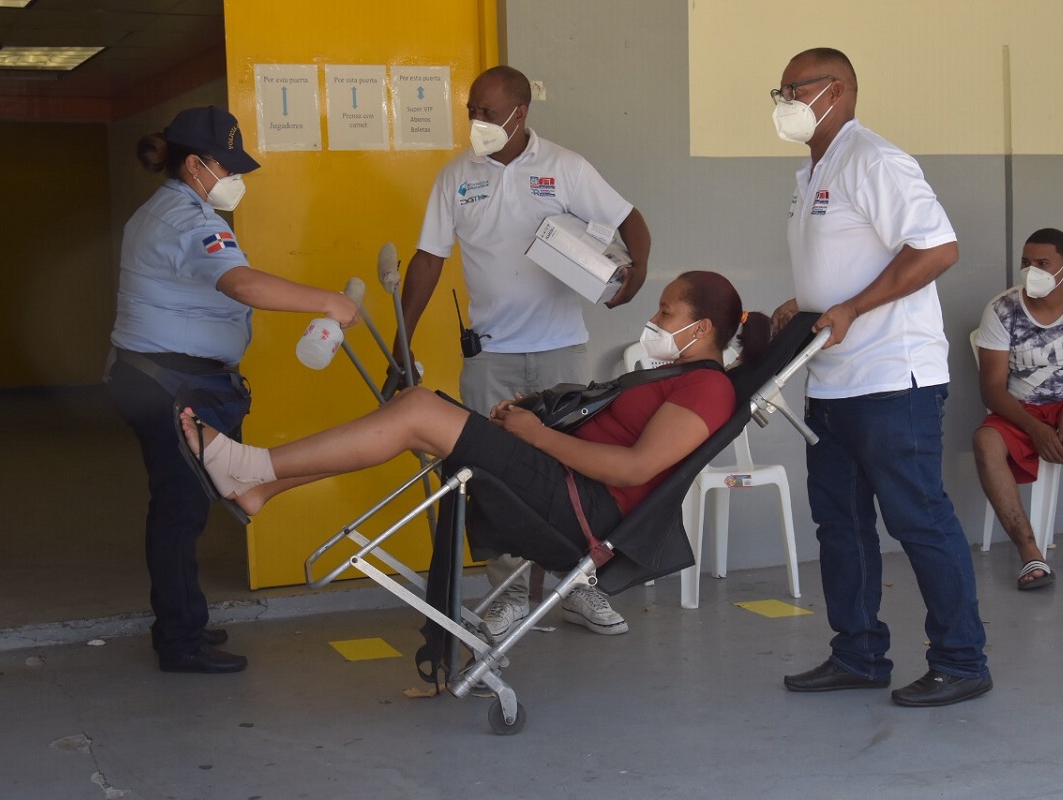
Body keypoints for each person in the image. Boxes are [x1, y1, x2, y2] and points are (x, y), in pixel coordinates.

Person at [175, 273, 768, 635]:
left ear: (704, 327)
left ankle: (254, 469)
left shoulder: (707, 387)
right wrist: (532, 419)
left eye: (666, 312)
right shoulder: (679, 374)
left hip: (580, 510)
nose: (654, 319)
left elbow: (636, 468)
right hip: (561, 480)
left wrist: (535, 435)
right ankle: (259, 486)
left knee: (415, 413)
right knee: (418, 412)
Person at [395, 65, 652, 642]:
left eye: (488, 112)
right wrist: (401, 337)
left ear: (520, 113)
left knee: (574, 474)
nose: (478, 122)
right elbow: (429, 259)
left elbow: (629, 218)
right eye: (472, 112)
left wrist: (635, 273)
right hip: (492, 356)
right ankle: (508, 597)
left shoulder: (564, 167)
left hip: (562, 353)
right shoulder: (455, 176)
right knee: (492, 478)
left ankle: (580, 587)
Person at [769, 48, 992, 707]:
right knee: (839, 524)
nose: (781, 102)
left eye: (791, 90)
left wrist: (852, 307)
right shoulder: (812, 168)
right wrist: (806, 305)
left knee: (918, 519)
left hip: (893, 379)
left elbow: (936, 247)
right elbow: (842, 264)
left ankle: (961, 660)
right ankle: (858, 655)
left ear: (835, 90)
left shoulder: (875, 159)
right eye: (776, 91)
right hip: (832, 379)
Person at [107, 106, 360, 675]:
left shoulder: (176, 208)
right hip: (167, 385)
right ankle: (179, 640)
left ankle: (182, 619)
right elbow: (240, 283)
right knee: (180, 511)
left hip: (160, 378)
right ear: (194, 164)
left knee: (182, 504)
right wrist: (328, 301)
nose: (237, 180)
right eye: (228, 167)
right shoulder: (187, 219)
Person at [973, 228, 1063, 589]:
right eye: (1026, 263)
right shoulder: (1002, 309)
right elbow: (992, 390)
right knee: (985, 443)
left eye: (1043, 263)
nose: (1033, 271)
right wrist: (1035, 427)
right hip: (1021, 409)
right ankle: (1031, 554)